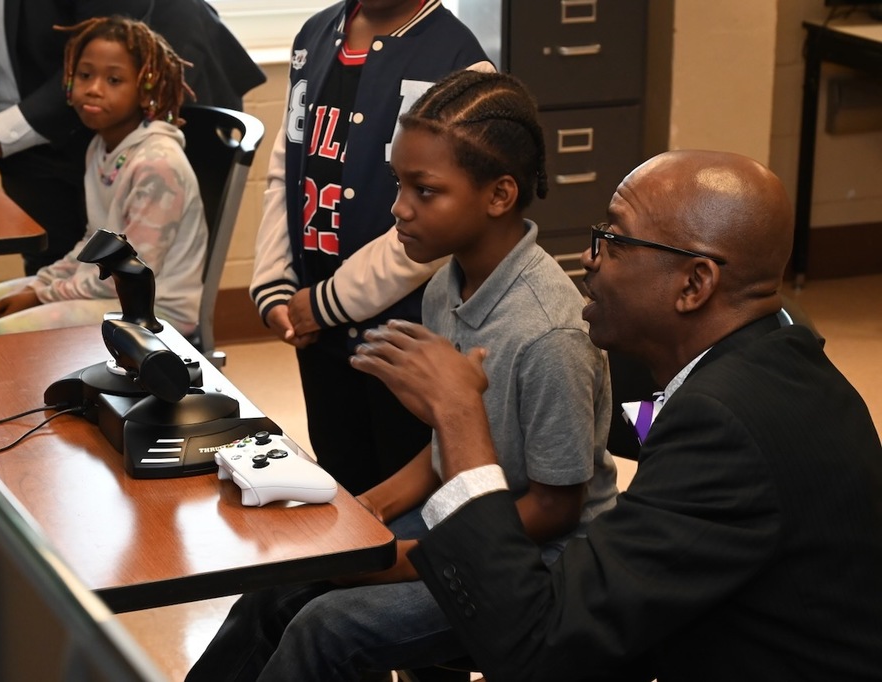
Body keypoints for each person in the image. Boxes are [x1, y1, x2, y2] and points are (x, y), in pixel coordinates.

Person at [351, 149, 882, 681]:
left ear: (694, 284)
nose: (589, 257)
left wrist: (459, 414)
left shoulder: (724, 425)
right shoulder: (772, 354)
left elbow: (534, 648)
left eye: (616, 240)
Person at [187, 70, 618, 682]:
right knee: (286, 582)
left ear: (498, 195)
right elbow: (449, 445)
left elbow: (555, 506)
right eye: (398, 183)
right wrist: (366, 510)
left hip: (541, 562)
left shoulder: (549, 334)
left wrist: (406, 560)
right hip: (470, 520)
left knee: (328, 626)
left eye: (425, 190)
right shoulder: (446, 282)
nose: (398, 208)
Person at [247, 0, 493, 497]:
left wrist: (329, 302)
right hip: (318, 327)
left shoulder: (460, 64)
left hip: (402, 332)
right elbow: (287, 168)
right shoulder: (314, 37)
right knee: (341, 470)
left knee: (401, 482)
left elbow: (440, 230)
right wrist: (274, 283)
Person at [0, 0, 264, 274]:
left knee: (146, 273)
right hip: (32, 128)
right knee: (51, 268)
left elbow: (110, 43)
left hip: (150, 106)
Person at [0, 15, 205, 339]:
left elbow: (131, 275)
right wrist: (43, 283)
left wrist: (41, 295)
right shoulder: (100, 147)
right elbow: (92, 243)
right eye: (85, 75)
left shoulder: (157, 165)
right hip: (106, 290)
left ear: (145, 89)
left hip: (153, 309)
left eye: (114, 80)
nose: (94, 89)